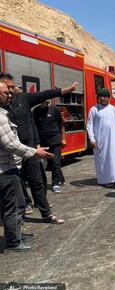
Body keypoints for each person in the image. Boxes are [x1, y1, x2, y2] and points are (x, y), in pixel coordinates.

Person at [0, 72, 75, 223]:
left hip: (31, 151)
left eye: (12, 87)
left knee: (37, 182)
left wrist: (65, 90)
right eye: (7, 88)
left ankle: (46, 213)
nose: (10, 91)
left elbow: (43, 94)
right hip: (11, 156)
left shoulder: (23, 99)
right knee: (17, 187)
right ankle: (19, 217)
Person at [0, 82, 54, 252]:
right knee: (14, 206)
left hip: (9, 167)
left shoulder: (4, 114)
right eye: (5, 93)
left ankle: (16, 234)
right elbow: (11, 144)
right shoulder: (1, 117)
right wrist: (34, 152)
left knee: (19, 203)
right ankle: (14, 242)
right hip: (6, 169)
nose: (10, 95)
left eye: (10, 92)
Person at [87, 88, 115, 188]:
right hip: (101, 139)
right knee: (103, 159)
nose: (102, 98)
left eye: (105, 96)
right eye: (101, 96)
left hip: (114, 139)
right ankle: (105, 180)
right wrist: (92, 139)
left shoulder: (112, 108)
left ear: (108, 98)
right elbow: (89, 125)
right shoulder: (94, 110)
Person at [33, 100, 66, 194]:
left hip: (55, 140)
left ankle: (55, 183)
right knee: (50, 163)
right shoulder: (36, 111)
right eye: (44, 101)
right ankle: (61, 178)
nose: (46, 103)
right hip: (43, 142)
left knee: (56, 162)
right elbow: (33, 126)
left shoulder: (54, 110)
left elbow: (61, 125)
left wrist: (63, 138)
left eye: (47, 101)